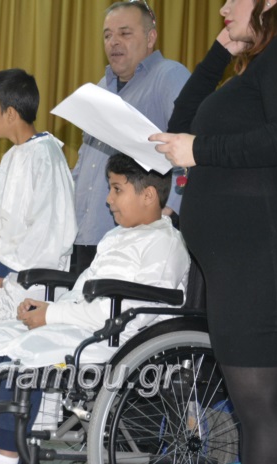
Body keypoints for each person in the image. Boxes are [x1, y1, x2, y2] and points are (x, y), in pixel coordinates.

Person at [149, 2, 277, 464]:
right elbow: (180, 125)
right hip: (240, 268)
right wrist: (218, 54)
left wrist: (200, 150)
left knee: (262, 412)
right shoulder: (255, 69)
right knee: (252, 412)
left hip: (267, 262)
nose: (223, 7)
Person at [0, 153, 190, 464]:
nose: (108, 199)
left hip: (118, 339)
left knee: (26, 350)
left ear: (149, 195)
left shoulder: (164, 244)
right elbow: (82, 290)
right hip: (89, 323)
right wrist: (44, 310)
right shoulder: (115, 236)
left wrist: (53, 315)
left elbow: (132, 312)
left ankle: (7, 457)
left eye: (116, 189)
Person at [0, 68, 76, 367]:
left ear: (10, 113)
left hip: (32, 283)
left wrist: (1, 267)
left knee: (22, 366)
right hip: (2, 281)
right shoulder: (12, 156)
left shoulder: (46, 156)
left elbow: (49, 229)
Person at [71, 0, 190, 273]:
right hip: (86, 233)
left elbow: (189, 146)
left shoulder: (169, 77)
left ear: (150, 37)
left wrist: (170, 210)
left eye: (124, 33)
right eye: (107, 35)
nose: (114, 42)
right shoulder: (100, 88)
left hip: (137, 240)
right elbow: (85, 160)